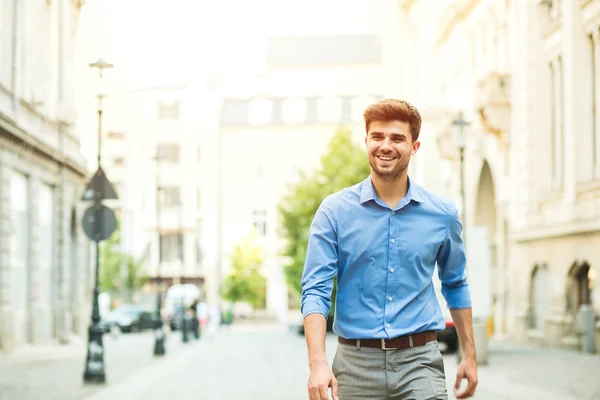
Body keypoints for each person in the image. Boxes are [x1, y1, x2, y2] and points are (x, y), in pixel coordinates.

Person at [301, 99, 478, 400]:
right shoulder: (334, 212)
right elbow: (315, 289)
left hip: (419, 362)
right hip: (355, 365)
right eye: (378, 137)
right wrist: (317, 364)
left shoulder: (442, 214)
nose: (386, 145)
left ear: (415, 146)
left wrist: (470, 356)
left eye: (397, 138)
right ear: (366, 141)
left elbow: (455, 283)